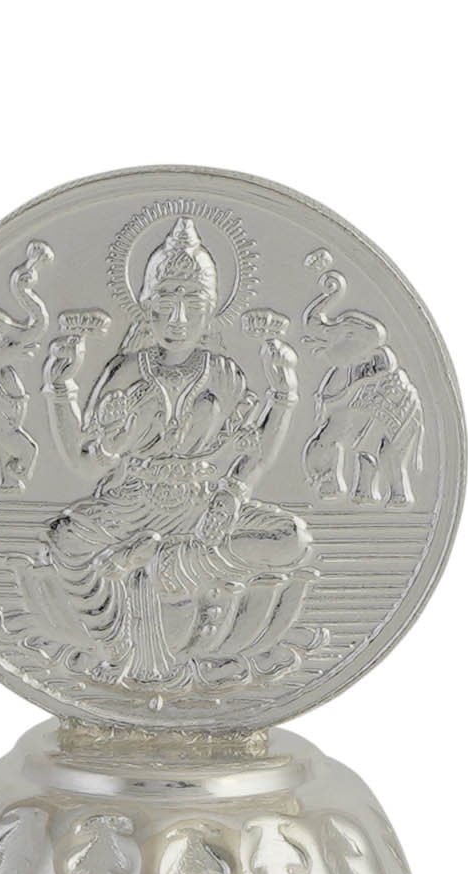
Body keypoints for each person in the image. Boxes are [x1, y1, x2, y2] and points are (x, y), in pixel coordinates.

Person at [27, 217, 314, 689]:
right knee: (63, 537)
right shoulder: (124, 371)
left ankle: (162, 560)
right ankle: (134, 613)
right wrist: (60, 389)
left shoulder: (224, 373)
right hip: (130, 505)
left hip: (203, 507)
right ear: (145, 306)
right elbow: (86, 462)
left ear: (211, 311)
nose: (178, 320)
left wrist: (282, 398)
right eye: (165, 303)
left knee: (291, 537)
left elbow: (253, 451)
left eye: (192, 305)